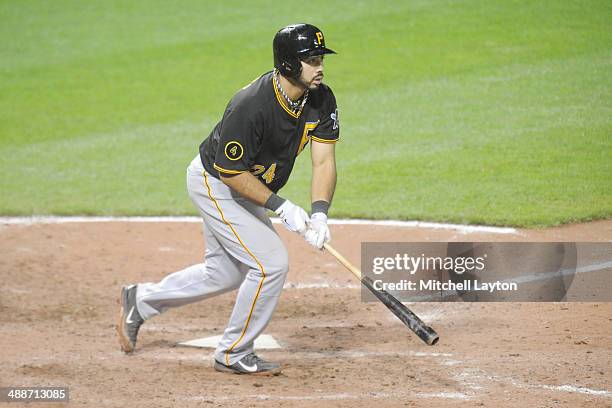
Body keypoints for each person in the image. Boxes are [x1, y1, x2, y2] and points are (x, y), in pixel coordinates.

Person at [116, 23, 339, 375]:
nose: (320, 67)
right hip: (215, 182)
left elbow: (324, 160)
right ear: (287, 65)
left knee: (222, 273)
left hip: (251, 184)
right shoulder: (251, 105)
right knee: (270, 265)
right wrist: (282, 207)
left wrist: (320, 213)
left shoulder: (321, 98)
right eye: (311, 60)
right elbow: (231, 172)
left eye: (320, 58)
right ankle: (234, 352)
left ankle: (140, 300)